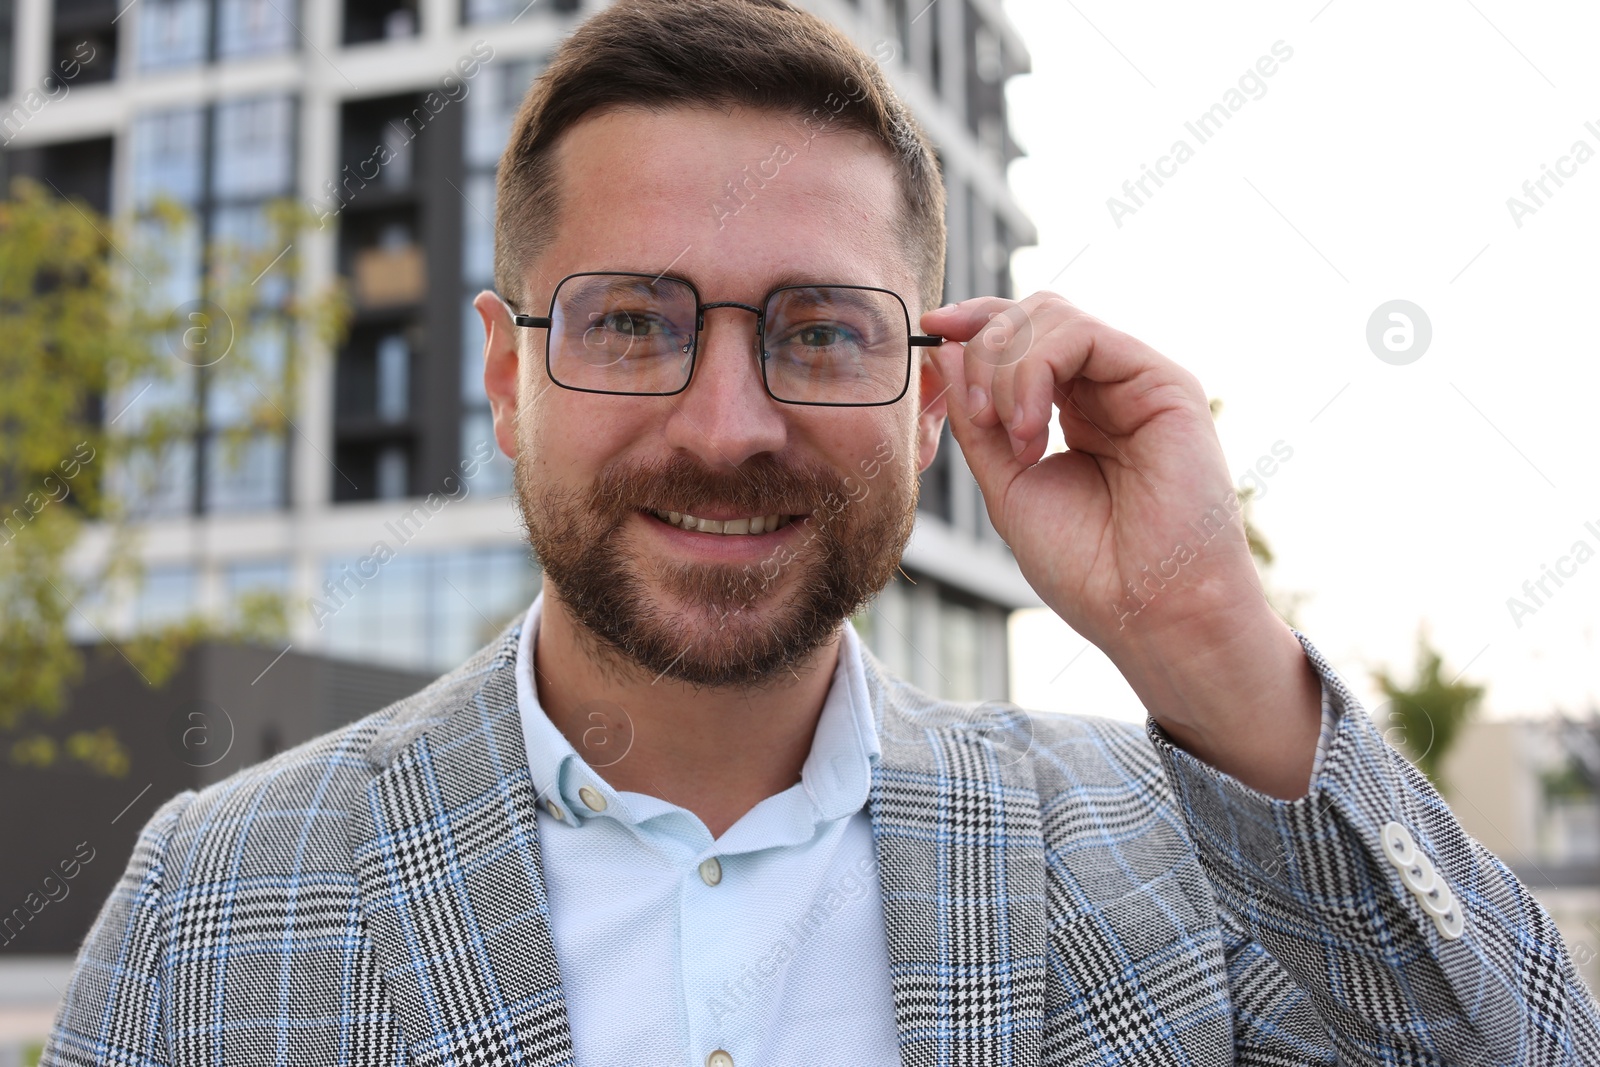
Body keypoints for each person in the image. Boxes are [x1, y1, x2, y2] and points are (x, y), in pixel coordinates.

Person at [44, 0, 1600, 1063]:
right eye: (636, 323)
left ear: (930, 400)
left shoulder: (1178, 855)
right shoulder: (214, 897)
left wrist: (1211, 636)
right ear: (508, 377)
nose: (728, 428)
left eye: (823, 330)